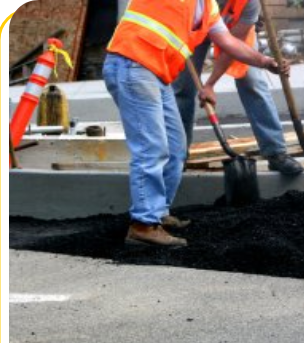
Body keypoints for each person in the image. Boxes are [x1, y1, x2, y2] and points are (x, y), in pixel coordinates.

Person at [103, 0, 288, 247]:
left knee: (177, 148)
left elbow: (229, 41)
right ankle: (143, 225)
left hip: (157, 73)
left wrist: (264, 62)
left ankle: (158, 214)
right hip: (132, 65)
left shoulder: (208, 6)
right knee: (152, 148)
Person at [173, 0, 304, 176]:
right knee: (183, 89)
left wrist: (210, 84)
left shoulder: (249, 2)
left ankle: (275, 152)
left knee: (252, 82)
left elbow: (231, 46)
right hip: (194, 26)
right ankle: (177, 157)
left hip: (232, 31)